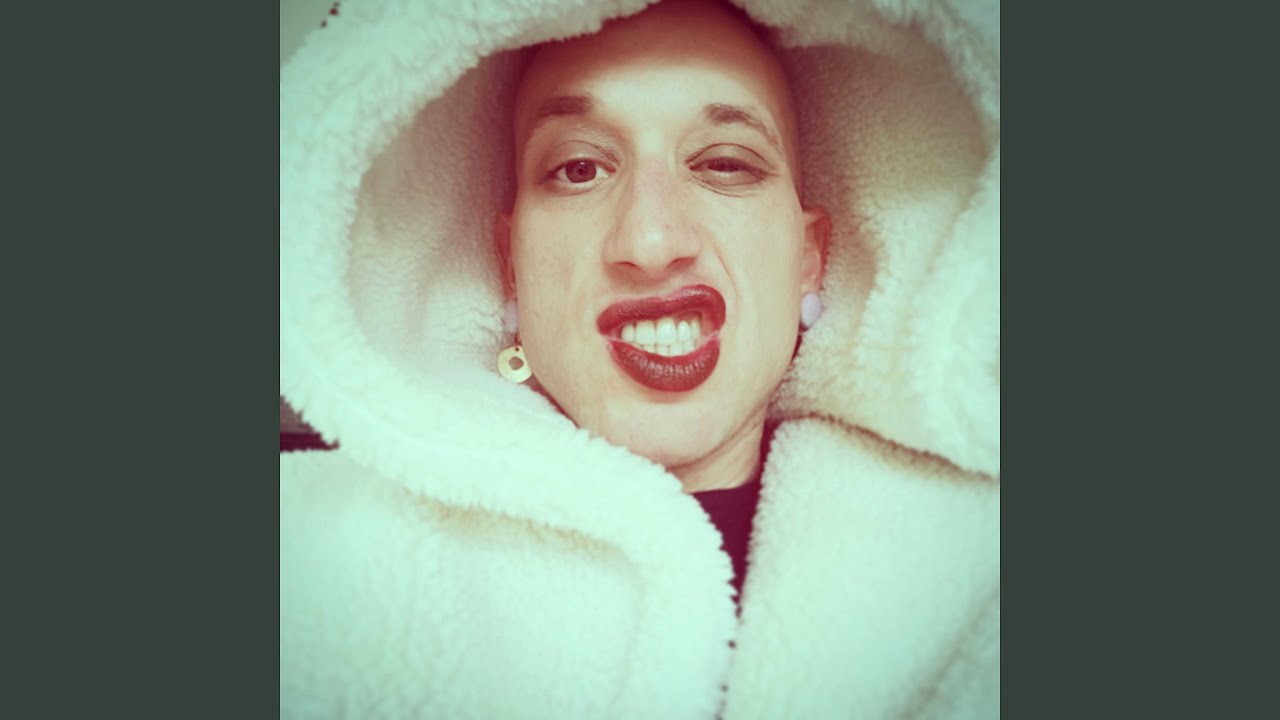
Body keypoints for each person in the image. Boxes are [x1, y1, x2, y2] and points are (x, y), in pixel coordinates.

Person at [280, 0, 1000, 717]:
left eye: (725, 163)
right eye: (579, 168)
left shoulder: (984, 576)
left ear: (808, 260)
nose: (651, 241)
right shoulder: (308, 568)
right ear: (510, 265)